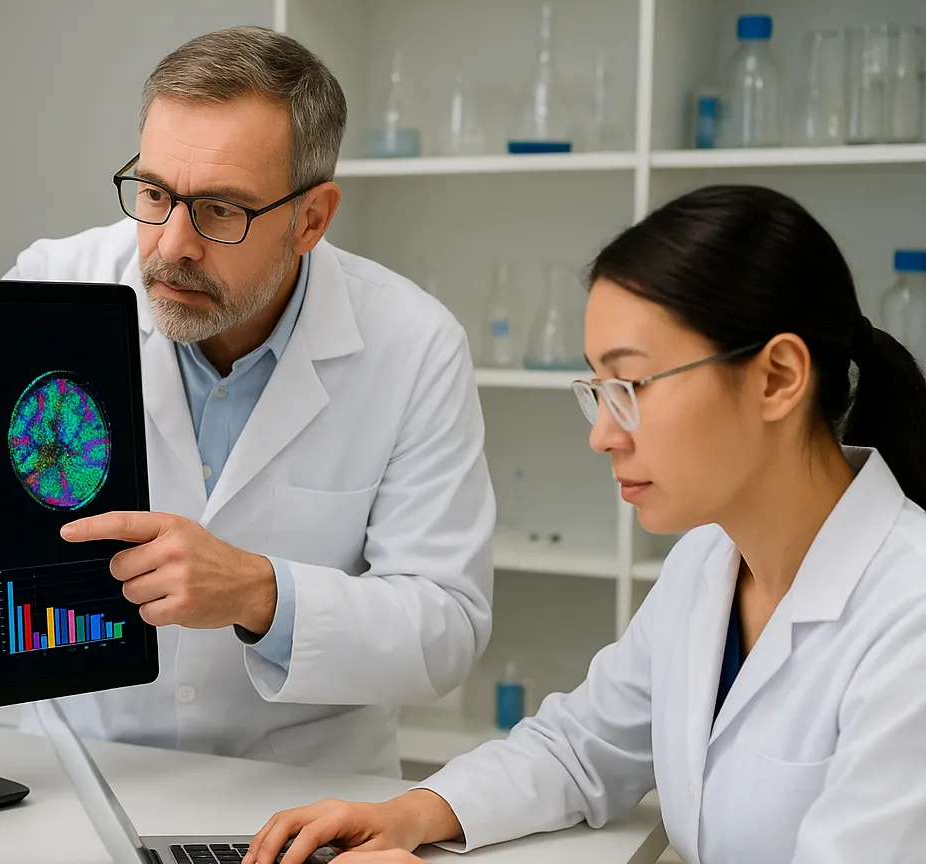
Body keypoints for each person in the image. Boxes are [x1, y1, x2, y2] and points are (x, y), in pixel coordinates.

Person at [245, 184, 926, 864]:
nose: (603, 434)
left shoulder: (909, 616)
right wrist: (408, 815)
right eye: (597, 391)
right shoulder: (708, 563)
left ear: (777, 377)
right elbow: (580, 747)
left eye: (631, 388)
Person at [5, 26, 495, 778]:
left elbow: (445, 631)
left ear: (312, 219)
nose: (171, 246)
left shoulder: (414, 343)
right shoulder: (50, 293)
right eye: (156, 193)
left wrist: (260, 592)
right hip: (82, 767)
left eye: (221, 211)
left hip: (301, 790)